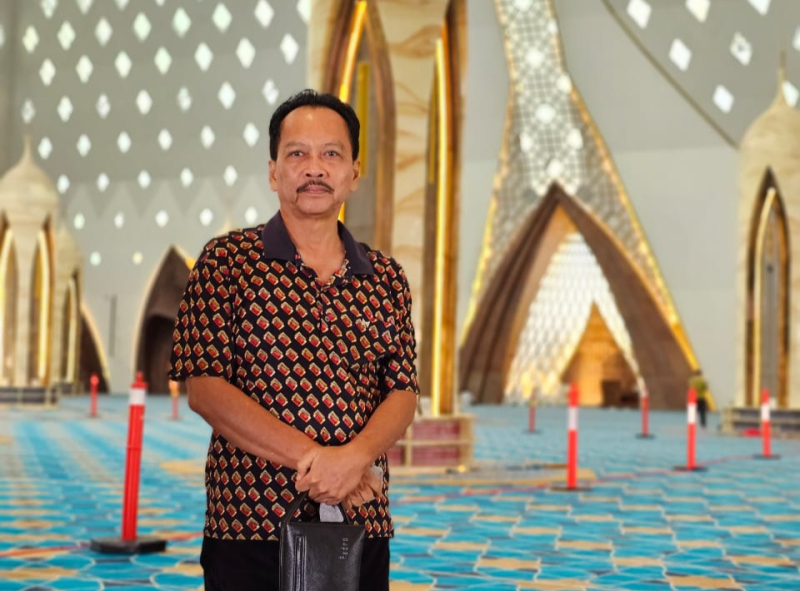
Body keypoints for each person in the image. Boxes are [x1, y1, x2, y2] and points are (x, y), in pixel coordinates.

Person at [168, 89, 419, 590]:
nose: (314, 169)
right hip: (249, 522)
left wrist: (353, 460)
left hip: (360, 521)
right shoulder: (227, 263)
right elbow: (205, 388)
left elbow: (403, 392)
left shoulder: (385, 277)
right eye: (297, 153)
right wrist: (321, 464)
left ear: (354, 172)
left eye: (332, 154)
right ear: (273, 171)